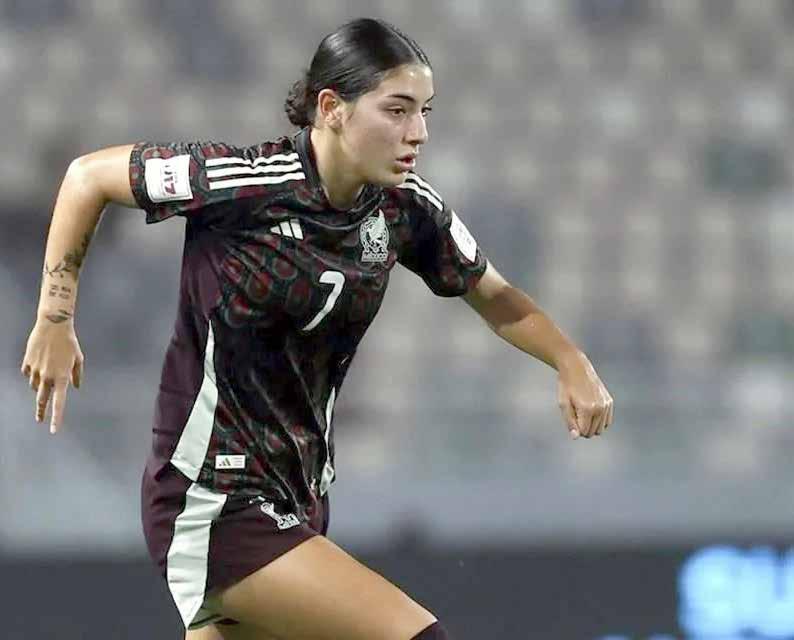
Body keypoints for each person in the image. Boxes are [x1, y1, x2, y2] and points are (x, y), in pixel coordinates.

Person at [20, 17, 613, 640]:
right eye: (397, 110)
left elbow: (494, 295)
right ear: (331, 107)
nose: (419, 131)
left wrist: (570, 359)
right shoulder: (240, 183)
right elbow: (87, 177)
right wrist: (56, 316)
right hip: (214, 498)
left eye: (425, 111)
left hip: (298, 497)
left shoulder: (405, 208)